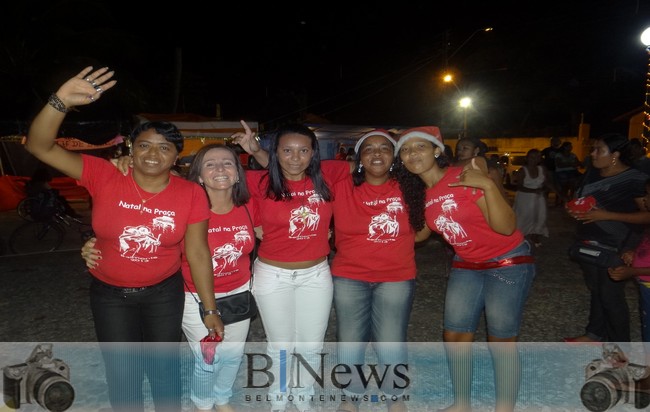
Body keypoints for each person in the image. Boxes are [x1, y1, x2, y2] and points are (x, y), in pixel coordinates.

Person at [25, 66, 220, 412]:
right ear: (131, 148)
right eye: (144, 145)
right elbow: (40, 147)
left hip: (163, 294)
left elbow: (198, 253)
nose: (153, 154)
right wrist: (60, 101)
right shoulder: (103, 175)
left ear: (177, 156)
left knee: (165, 374)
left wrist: (209, 309)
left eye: (164, 148)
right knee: (124, 375)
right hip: (109, 295)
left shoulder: (190, 194)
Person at [81, 144, 256, 412]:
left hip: (238, 292)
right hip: (193, 295)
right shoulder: (181, 201)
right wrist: (97, 245)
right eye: (210, 164)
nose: (220, 168)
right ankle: (203, 404)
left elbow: (276, 227)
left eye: (228, 163)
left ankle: (222, 398)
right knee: (209, 358)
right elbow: (138, 215)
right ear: (197, 174)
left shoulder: (250, 206)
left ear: (238, 172)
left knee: (232, 356)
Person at [394, 126, 535, 412]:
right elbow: (419, 235)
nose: (412, 154)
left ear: (437, 150)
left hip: (507, 261)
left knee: (501, 337)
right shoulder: (419, 194)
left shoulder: (464, 176)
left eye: (420, 147)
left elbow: (507, 227)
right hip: (466, 264)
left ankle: (504, 407)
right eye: (406, 150)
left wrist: (487, 184)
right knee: (455, 334)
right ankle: (462, 404)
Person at [231, 121, 351, 412]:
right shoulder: (258, 183)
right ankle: (279, 396)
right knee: (280, 343)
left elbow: (379, 163)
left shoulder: (330, 176)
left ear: (314, 153)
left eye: (303, 150)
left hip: (316, 274)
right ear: (276, 153)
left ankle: (303, 394)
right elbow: (210, 178)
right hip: (273, 275)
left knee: (311, 343)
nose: (295, 157)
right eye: (287, 150)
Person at [330, 129, 430, 412]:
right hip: (350, 275)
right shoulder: (342, 185)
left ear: (394, 156)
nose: (377, 153)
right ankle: (351, 396)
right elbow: (298, 170)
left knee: (391, 339)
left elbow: (423, 231)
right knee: (349, 339)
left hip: (396, 277)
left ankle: (394, 396)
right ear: (359, 158)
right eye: (369, 149)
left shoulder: (411, 186)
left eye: (384, 148)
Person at [563, 133, 648, 344]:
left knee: (611, 298)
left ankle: (622, 350)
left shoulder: (635, 179)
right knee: (597, 291)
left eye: (598, 149)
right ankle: (594, 334)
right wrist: (573, 209)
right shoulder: (592, 174)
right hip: (588, 241)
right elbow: (581, 200)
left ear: (615, 155)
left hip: (618, 244)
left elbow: (647, 215)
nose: (592, 153)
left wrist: (607, 215)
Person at [512, 148, 563, 248]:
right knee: (523, 218)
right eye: (532, 157)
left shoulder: (542, 169)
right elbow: (519, 187)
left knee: (540, 216)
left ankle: (534, 236)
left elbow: (547, 183)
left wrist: (560, 194)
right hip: (525, 198)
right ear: (527, 158)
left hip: (539, 198)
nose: (534, 159)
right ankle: (518, 238)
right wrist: (533, 191)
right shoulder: (523, 170)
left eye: (537, 157)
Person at [541, 136, 562, 205]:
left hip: (558, 170)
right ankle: (545, 201)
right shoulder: (547, 150)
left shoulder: (561, 150)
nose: (557, 142)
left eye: (558, 141)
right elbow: (539, 155)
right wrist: (543, 162)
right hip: (549, 169)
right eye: (555, 141)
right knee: (548, 185)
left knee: (557, 186)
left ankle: (557, 202)